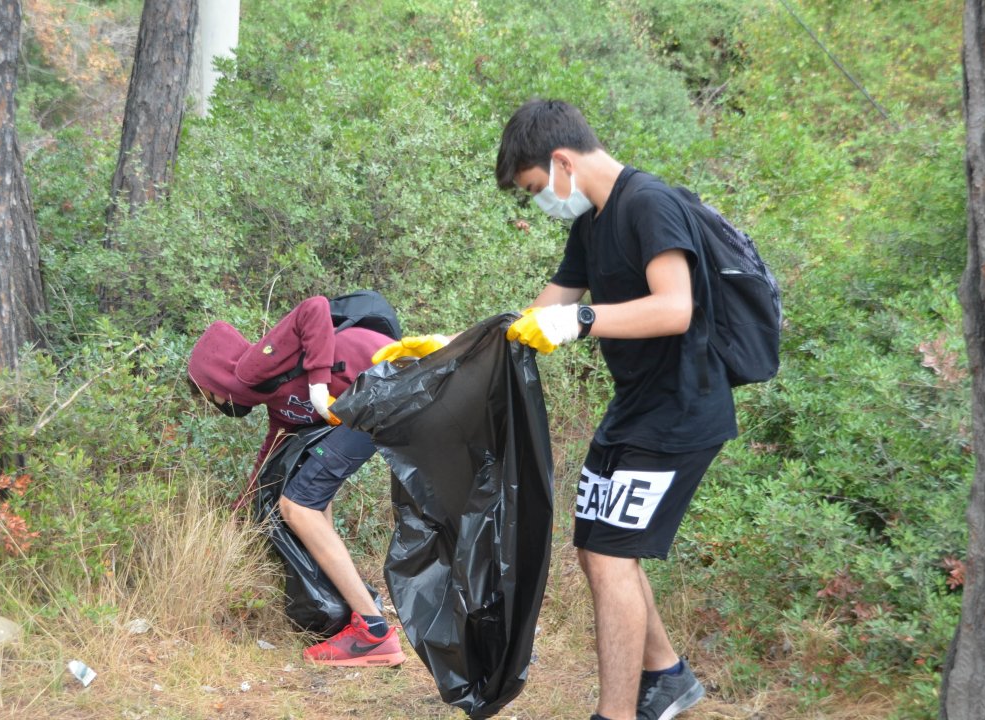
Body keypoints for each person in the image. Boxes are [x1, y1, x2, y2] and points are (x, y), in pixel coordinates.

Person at [377, 99, 735, 720]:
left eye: (539, 186)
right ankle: (667, 674)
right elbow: (537, 317)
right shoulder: (590, 224)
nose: (544, 200)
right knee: (595, 542)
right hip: (635, 408)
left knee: (610, 555)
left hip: (682, 409)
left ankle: (615, 714)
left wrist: (583, 319)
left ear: (563, 160)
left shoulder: (648, 203)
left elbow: (675, 307)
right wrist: (453, 350)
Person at [187, 295, 406, 668]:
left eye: (209, 399)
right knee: (311, 498)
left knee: (297, 504)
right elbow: (274, 449)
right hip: (377, 397)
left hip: (384, 384)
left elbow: (314, 308)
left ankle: (373, 632)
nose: (217, 407)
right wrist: (241, 511)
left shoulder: (251, 369)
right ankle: (348, 607)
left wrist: (319, 385)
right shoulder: (275, 400)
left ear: (212, 381)